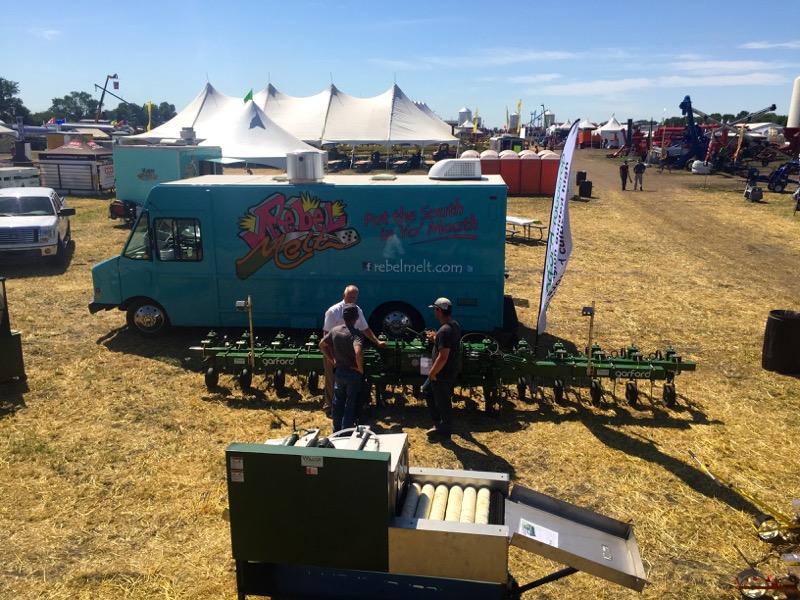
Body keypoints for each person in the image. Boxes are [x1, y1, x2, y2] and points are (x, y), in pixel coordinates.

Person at [322, 285, 386, 416]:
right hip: (335, 349)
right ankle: (329, 407)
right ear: (343, 295)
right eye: (349, 296)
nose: (352, 299)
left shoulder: (357, 310)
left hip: (350, 350)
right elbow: (325, 336)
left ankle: (346, 407)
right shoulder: (333, 311)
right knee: (332, 379)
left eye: (354, 297)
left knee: (348, 379)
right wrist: (331, 357)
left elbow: (365, 328)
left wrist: (376, 341)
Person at [319, 304, 364, 432]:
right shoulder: (356, 334)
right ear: (356, 318)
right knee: (350, 403)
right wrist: (360, 369)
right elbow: (358, 352)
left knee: (337, 401)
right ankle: (346, 430)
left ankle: (336, 429)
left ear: (343, 317)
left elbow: (322, 344)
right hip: (352, 373)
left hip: (339, 372)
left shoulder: (335, 330)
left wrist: (330, 359)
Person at [422, 298, 461, 442]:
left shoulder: (444, 331)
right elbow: (446, 340)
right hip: (447, 371)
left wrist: (432, 372)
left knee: (443, 402)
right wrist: (435, 337)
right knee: (427, 390)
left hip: (441, 373)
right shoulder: (453, 325)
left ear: (439, 311)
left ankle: (445, 434)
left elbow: (443, 357)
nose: (434, 311)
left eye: (435, 309)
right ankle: (437, 422)